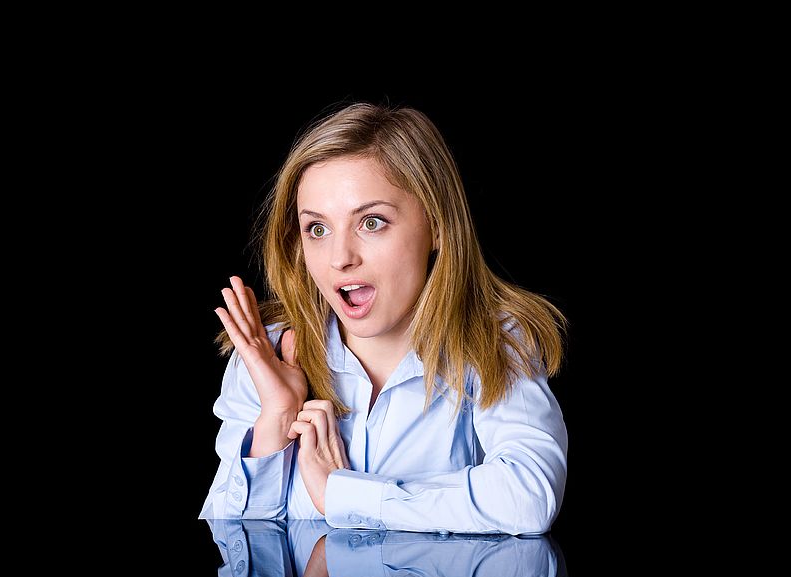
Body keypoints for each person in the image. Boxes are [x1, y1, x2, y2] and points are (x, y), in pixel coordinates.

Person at [200, 102, 568, 535]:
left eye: (371, 222)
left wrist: (344, 495)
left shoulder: (492, 339)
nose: (340, 258)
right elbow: (232, 547)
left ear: (438, 226)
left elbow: (527, 499)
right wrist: (276, 419)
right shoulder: (268, 353)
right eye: (317, 229)